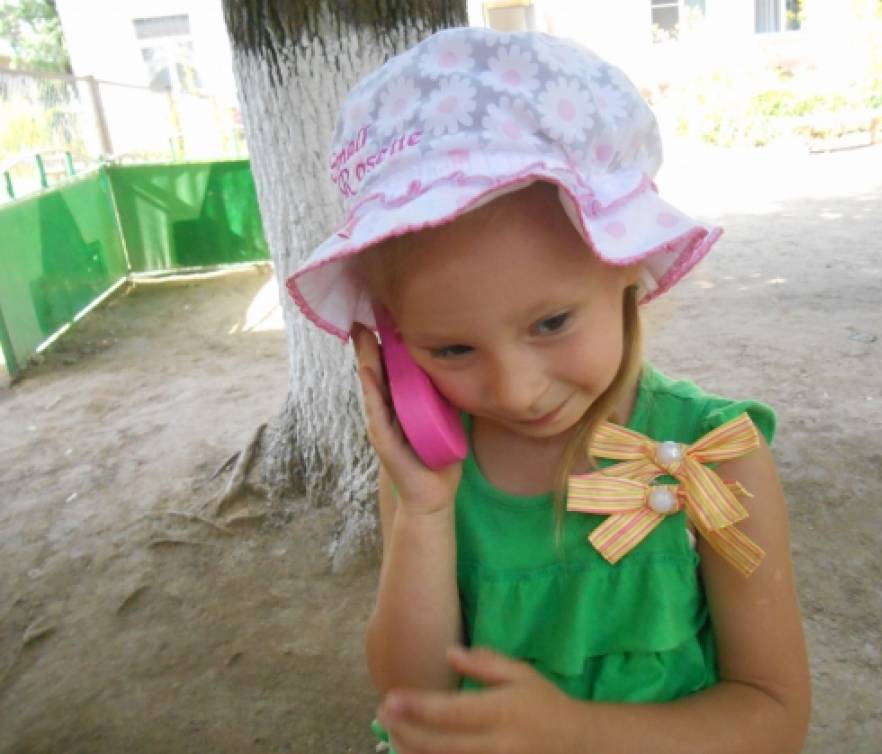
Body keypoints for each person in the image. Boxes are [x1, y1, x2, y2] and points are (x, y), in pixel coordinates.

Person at [286, 26, 810, 754]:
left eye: (552, 322)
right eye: (452, 349)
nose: (516, 390)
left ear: (628, 263)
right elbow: (411, 697)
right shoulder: (431, 474)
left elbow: (774, 715)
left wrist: (572, 733)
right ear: (396, 346)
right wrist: (426, 514)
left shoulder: (715, 456)